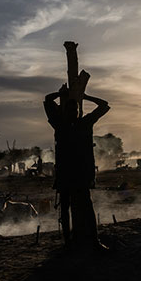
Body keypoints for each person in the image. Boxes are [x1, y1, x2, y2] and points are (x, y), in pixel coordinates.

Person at [44, 84, 109, 249]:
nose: (73, 112)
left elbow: (104, 105)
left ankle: (94, 241)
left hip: (81, 172)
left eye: (75, 109)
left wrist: (85, 97)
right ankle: (67, 243)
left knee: (87, 206)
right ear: (64, 111)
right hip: (65, 171)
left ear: (79, 111)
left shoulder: (85, 123)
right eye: (70, 109)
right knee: (64, 208)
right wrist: (61, 94)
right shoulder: (59, 124)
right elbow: (47, 100)